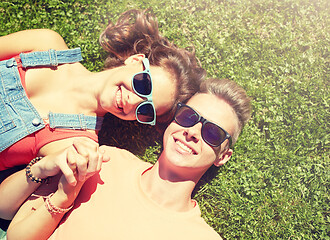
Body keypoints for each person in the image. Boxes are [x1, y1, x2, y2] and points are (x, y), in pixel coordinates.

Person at [0, 9, 206, 222]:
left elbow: (3, 209)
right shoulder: (45, 44)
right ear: (135, 60)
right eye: (143, 84)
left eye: (145, 110)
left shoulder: (76, 144)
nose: (132, 101)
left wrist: (40, 169)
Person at [6, 78, 252, 240]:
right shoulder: (106, 160)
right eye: (188, 116)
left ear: (223, 156)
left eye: (213, 132)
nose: (193, 132)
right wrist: (54, 183)